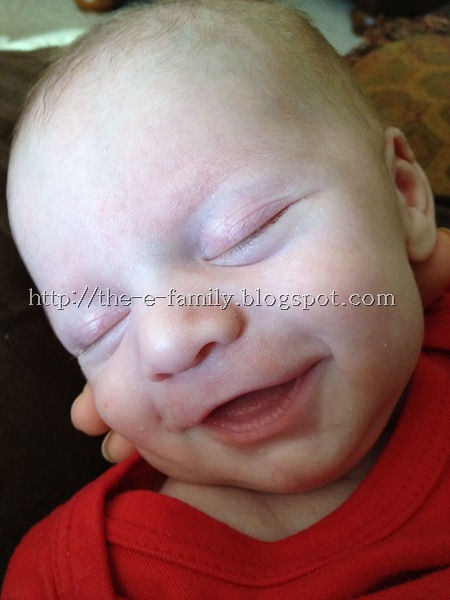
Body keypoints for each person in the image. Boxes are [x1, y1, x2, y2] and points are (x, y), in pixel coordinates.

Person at [2, 0, 450, 596]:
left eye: (244, 232)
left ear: (403, 194)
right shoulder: (73, 579)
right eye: (100, 326)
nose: (170, 339)